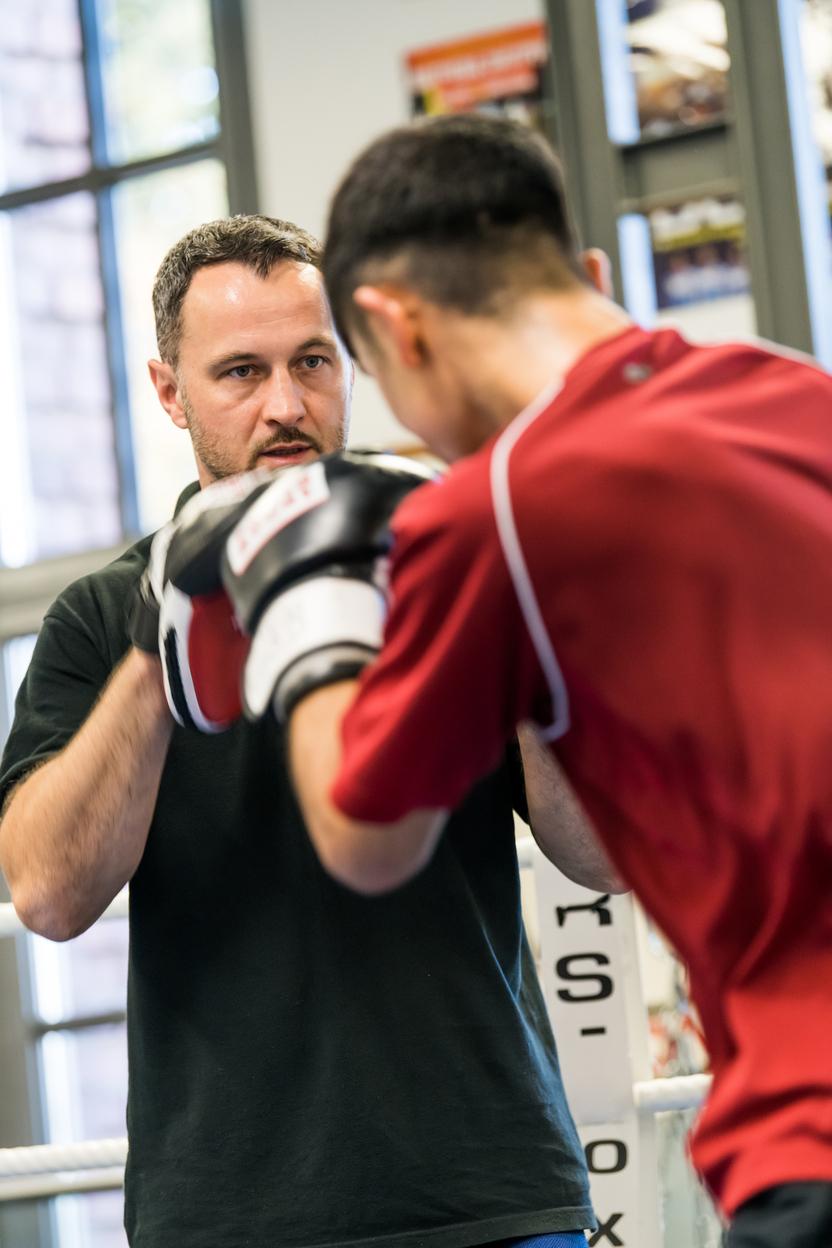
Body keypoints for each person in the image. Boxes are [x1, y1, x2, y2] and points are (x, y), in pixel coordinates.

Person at [203, 121, 832, 1247]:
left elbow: (366, 833)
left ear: (393, 327)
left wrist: (302, 587)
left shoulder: (489, 506)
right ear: (587, 276)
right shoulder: (792, 394)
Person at [0, 214, 618, 1247]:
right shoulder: (105, 621)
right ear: (169, 391)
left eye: (313, 362)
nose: (285, 406)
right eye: (240, 371)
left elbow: (609, 854)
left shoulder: (456, 564)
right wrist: (160, 656)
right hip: (232, 1211)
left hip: (490, 1190)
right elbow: (51, 896)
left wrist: (504, 629)